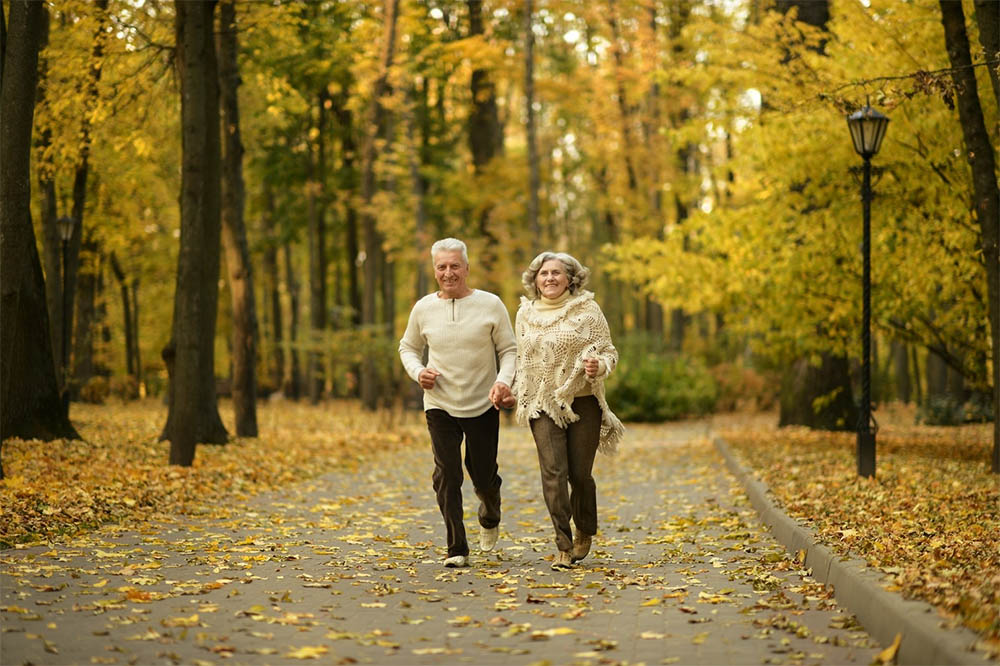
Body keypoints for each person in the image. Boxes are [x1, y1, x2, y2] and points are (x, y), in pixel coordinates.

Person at [399, 238, 516, 568]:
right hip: (439, 404)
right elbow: (407, 347)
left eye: (454, 266)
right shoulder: (423, 308)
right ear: (434, 270)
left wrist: (502, 381)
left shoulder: (490, 304)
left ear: (466, 268)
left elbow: (509, 350)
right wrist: (419, 371)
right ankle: (457, 547)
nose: (448, 272)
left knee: (482, 475)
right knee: (447, 474)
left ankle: (490, 512)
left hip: (482, 402)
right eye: (441, 267)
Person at [512, 251, 624, 571]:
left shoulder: (587, 310)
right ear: (535, 279)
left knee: (579, 475)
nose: (550, 278)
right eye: (544, 273)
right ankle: (562, 544)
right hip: (542, 402)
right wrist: (515, 389)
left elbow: (609, 352)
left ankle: (585, 528)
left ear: (570, 278)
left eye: (557, 273)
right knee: (553, 472)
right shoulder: (525, 314)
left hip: (583, 400)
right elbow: (523, 359)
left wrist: (598, 365)